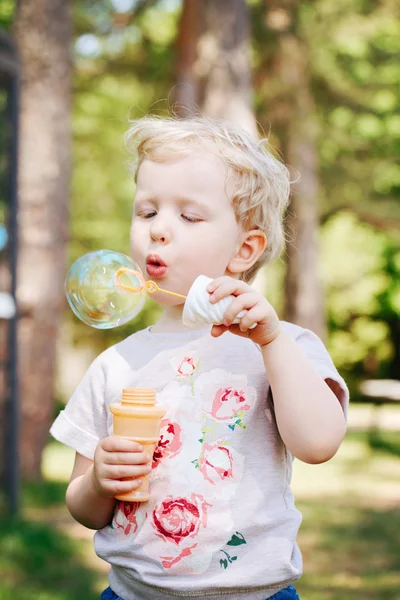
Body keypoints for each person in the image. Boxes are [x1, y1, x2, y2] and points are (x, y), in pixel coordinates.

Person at [50, 116, 349, 600]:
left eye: (189, 216)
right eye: (147, 212)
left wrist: (271, 342)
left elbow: (319, 444)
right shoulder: (116, 364)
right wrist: (99, 482)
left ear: (245, 248)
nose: (159, 230)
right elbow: (85, 508)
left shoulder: (281, 346)